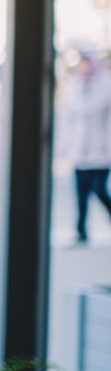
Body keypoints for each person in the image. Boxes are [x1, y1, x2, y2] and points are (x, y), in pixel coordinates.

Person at [62, 53, 111, 245]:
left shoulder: (106, 86)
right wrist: (65, 146)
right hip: (79, 149)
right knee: (81, 192)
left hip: (101, 149)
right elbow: (69, 118)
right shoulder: (74, 87)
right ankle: (81, 231)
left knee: (99, 189)